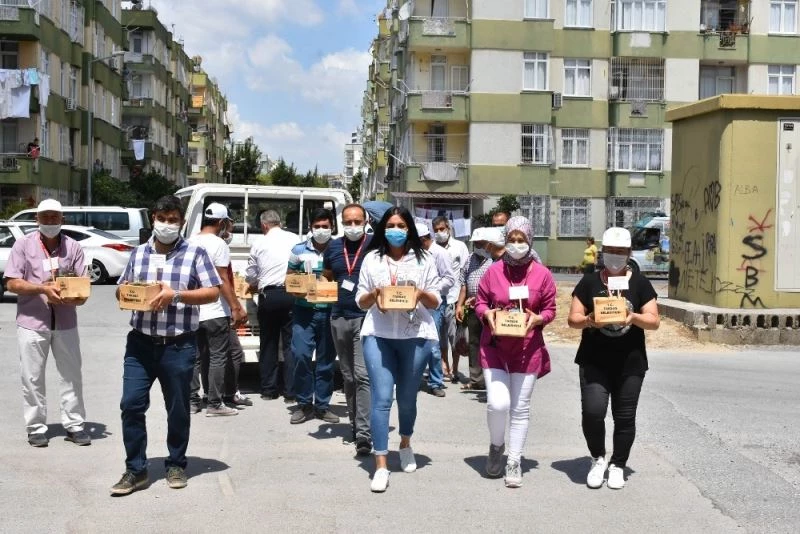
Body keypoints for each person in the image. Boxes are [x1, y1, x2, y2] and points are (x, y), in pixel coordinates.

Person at [111, 195, 222, 496]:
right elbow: (121, 287)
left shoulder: (195, 253)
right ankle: (136, 469)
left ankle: (176, 463)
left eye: (174, 220)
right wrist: (129, 294)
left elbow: (213, 292)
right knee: (131, 404)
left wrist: (176, 295)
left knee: (178, 408)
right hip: (141, 344)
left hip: (178, 345)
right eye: (163, 218)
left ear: (182, 222)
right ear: (153, 220)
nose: (167, 224)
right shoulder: (138, 254)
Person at [355, 207, 442, 493]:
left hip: (415, 335)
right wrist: (375, 294)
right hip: (378, 334)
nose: (396, 230)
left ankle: (405, 442)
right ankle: (380, 464)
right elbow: (360, 300)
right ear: (383, 229)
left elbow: (436, 301)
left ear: (409, 230)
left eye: (401, 225)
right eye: (391, 225)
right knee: (381, 398)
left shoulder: (424, 259)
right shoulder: (372, 259)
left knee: (406, 399)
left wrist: (419, 293)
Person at [567, 227, 660, 490]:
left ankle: (618, 464)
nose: (616, 257)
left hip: (630, 363)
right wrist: (589, 321)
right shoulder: (589, 282)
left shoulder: (640, 283)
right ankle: (598, 458)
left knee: (625, 416)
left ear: (629, 254)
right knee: (593, 412)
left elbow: (654, 321)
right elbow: (572, 319)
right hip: (594, 360)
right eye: (611, 252)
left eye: (621, 252)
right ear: (602, 253)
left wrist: (634, 317)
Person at [476, 216, 557, 488]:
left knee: (520, 408)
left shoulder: (542, 274)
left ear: (530, 241)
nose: (516, 245)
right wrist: (487, 314)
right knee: (498, 403)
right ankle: (496, 446)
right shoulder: (493, 270)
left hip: (527, 348)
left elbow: (550, 309)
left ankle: (514, 459)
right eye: (511, 240)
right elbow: (480, 302)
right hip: (495, 347)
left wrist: (538, 319)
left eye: (521, 240)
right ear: (505, 241)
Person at [4, 199, 90, 448]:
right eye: (46, 217)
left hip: (65, 321)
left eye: (55, 217)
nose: (50, 221)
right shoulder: (23, 245)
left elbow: (81, 282)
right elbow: (12, 282)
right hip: (32, 322)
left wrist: (79, 294)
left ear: (62, 219)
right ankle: (35, 427)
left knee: (71, 375)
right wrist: (42, 288)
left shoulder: (73, 247)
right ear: (37, 220)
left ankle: (75, 425)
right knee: (32, 377)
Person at [322, 203, 373, 455]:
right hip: (339, 316)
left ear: (365, 221)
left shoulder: (375, 245)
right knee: (349, 376)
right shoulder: (333, 246)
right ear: (341, 223)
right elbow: (328, 275)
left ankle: (364, 433)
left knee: (363, 375)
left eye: (357, 221)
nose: (353, 226)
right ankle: (354, 423)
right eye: (348, 222)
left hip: (366, 317)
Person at [188, 203, 248, 416]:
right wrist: (236, 306)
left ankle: (193, 401)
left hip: (191, 309)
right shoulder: (218, 244)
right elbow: (222, 279)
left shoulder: (188, 241)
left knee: (194, 357)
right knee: (218, 357)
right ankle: (214, 403)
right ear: (222, 223)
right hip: (214, 310)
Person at [287, 208, 339, 424]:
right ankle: (303, 403)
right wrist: (296, 287)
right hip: (304, 312)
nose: (321, 230)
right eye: (317, 226)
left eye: (325, 226)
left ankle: (323, 406)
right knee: (300, 355)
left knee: (326, 362)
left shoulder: (339, 249)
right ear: (310, 228)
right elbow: (289, 278)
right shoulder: (298, 250)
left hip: (330, 312)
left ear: (332, 227)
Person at [245, 210, 299, 402]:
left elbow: (251, 275)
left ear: (264, 225)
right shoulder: (295, 239)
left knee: (268, 343)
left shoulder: (259, 243)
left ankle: (269, 390)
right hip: (292, 294)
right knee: (290, 344)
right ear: (280, 223)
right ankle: (291, 393)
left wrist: (253, 282)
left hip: (269, 296)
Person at [455, 227, 504, 390]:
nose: (478, 246)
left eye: (480, 243)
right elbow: (463, 283)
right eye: (475, 243)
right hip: (472, 307)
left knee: (492, 342)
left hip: (492, 308)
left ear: (488, 244)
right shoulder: (470, 259)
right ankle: (476, 380)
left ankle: (494, 378)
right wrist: (460, 305)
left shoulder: (496, 260)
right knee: (474, 342)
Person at [416, 222, 455, 397]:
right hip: (416, 301)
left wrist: (432, 290)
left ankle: (435, 381)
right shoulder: (417, 254)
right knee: (415, 340)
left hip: (435, 302)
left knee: (432, 343)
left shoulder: (439, 253)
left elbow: (449, 278)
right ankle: (414, 379)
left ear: (424, 239)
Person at [430, 216, 469, 388]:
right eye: (436, 230)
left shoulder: (460, 247)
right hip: (437, 298)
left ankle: (455, 367)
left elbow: (465, 272)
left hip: (454, 298)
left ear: (449, 228)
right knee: (440, 335)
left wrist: (463, 299)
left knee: (454, 336)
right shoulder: (431, 248)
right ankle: (444, 365)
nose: (439, 233)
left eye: (442, 229)